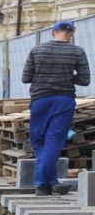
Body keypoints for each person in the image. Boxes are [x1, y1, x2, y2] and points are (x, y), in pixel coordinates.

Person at [22, 21, 91, 195]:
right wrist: (67, 76)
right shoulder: (77, 52)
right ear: (72, 32)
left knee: (38, 140)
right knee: (54, 140)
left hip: (40, 99)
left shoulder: (37, 50)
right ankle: (49, 181)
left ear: (53, 32)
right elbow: (84, 80)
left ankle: (42, 183)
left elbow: (26, 78)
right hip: (64, 100)